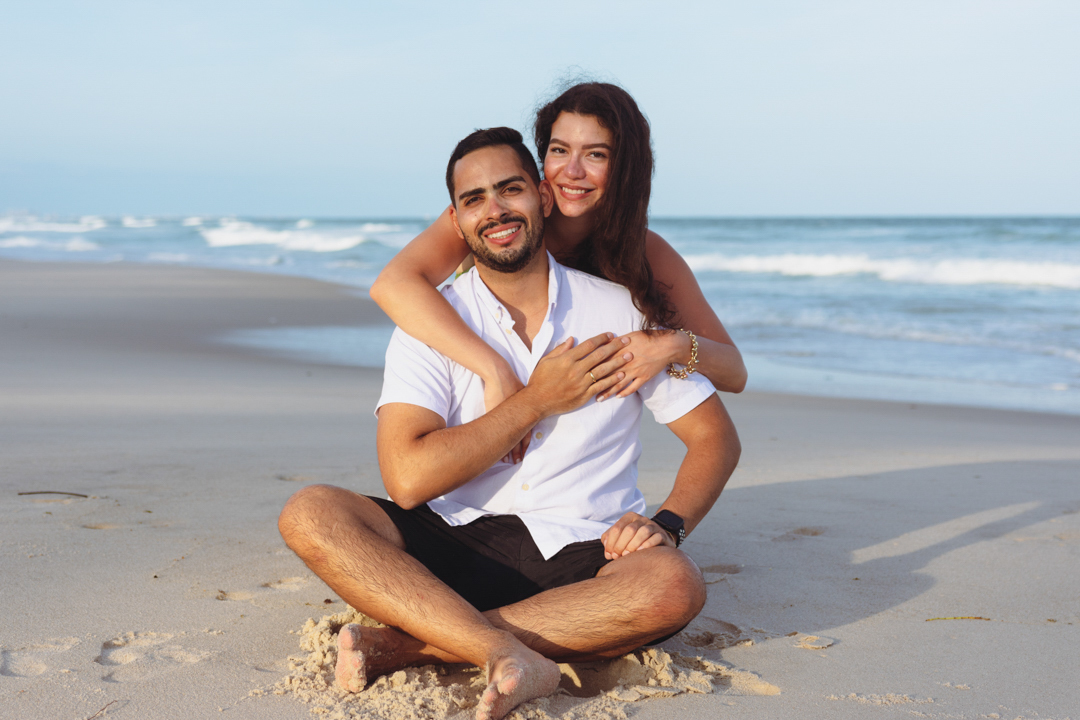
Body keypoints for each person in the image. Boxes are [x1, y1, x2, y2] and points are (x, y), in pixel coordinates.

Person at [278, 127, 741, 720]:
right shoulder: (433, 324)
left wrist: (667, 525)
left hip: (584, 549)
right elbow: (407, 481)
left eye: (510, 189)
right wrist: (534, 401)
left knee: (674, 584)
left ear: (543, 197)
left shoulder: (619, 311)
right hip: (452, 538)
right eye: (474, 199)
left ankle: (413, 644)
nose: (494, 210)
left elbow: (714, 437)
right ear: (456, 220)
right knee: (311, 513)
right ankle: (500, 648)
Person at [370, 82, 746, 463]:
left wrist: (670, 345)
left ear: (624, 167)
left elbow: (735, 372)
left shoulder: (646, 252)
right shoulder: (506, 221)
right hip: (476, 393)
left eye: (595, 154)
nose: (572, 171)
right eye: (559, 150)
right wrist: (494, 369)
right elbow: (393, 284)